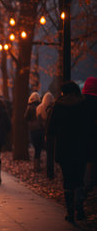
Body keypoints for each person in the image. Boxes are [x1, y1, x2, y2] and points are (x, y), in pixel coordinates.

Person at [47, 81, 91, 223]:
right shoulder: (83, 104)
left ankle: (70, 212)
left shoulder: (59, 105)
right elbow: (88, 126)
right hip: (80, 147)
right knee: (79, 178)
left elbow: (51, 129)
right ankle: (80, 206)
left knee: (68, 180)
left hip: (64, 148)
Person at [82, 77, 97, 196]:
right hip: (93, 136)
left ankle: (83, 185)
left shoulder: (79, 102)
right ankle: (89, 182)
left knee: (83, 160)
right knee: (91, 160)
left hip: (81, 136)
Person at [24, 92, 43, 172]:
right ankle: (38, 166)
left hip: (32, 130)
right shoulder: (41, 106)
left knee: (36, 148)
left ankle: (36, 166)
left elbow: (25, 117)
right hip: (40, 129)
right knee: (39, 149)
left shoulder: (29, 107)